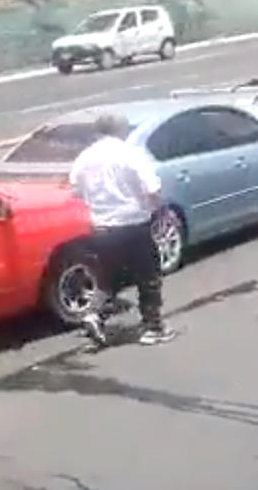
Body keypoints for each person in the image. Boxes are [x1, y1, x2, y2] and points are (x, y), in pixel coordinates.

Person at [68, 113, 175, 347]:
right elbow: (152, 188)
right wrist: (161, 211)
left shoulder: (85, 158)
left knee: (108, 279)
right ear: (120, 130)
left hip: (102, 228)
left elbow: (75, 190)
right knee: (148, 277)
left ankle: (94, 315)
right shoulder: (129, 153)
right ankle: (153, 328)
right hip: (133, 225)